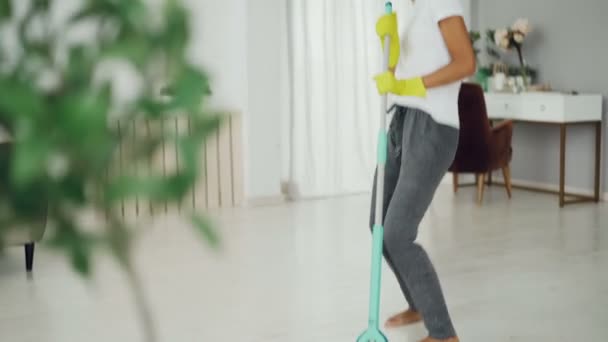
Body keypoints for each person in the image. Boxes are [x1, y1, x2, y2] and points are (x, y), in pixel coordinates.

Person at [369, 0, 475, 341]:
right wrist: (391, 47)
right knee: (379, 224)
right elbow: (397, 71)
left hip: (433, 126)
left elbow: (466, 63)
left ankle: (443, 333)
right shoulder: (408, 10)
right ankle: (418, 304)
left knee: (398, 231)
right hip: (402, 119)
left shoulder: (441, 2)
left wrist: (415, 85)